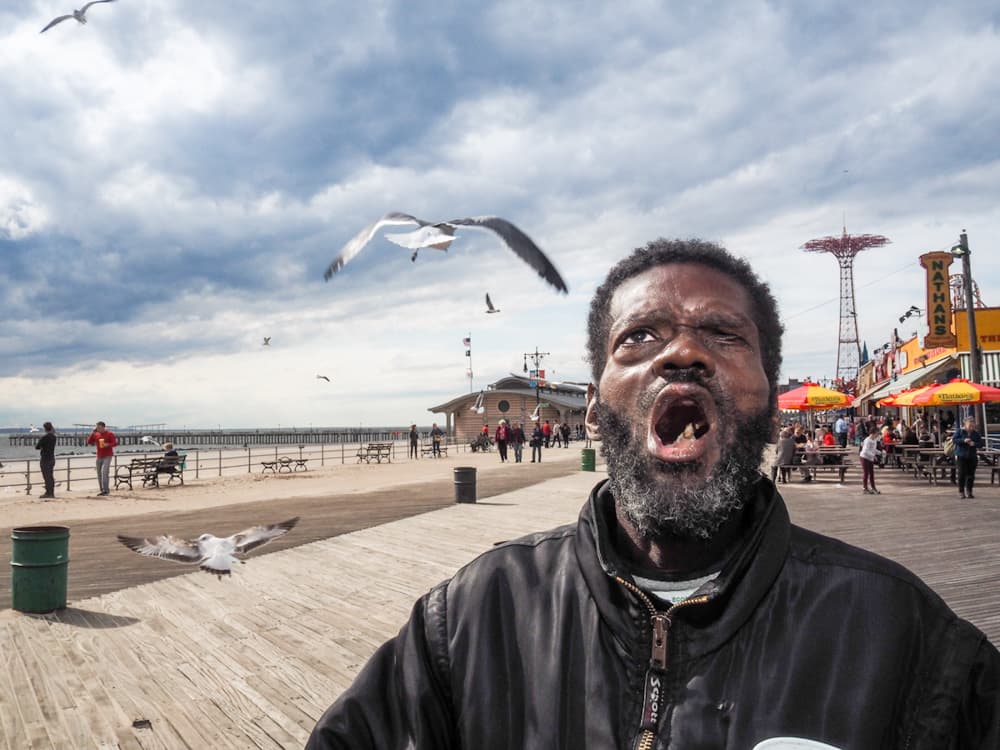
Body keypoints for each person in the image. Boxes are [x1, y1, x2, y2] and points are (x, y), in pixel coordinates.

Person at [306, 238, 1000, 749]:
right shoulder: (470, 621)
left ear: (772, 412)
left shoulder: (905, 639)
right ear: (593, 410)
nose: (682, 353)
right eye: (638, 337)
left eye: (724, 335)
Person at [952, 417, 984, 499]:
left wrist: (974, 444)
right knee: (961, 473)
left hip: (972, 456)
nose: (971, 428)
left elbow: (981, 444)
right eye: (970, 425)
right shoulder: (960, 431)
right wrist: (963, 440)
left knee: (971, 475)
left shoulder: (975, 433)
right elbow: (954, 440)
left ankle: (969, 491)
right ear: (965, 424)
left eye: (973, 426)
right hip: (961, 455)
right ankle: (961, 491)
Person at [86, 421, 117, 496]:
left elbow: (115, 443)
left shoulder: (110, 434)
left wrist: (107, 444)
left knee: (104, 472)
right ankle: (102, 490)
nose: (98, 429)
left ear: (103, 427)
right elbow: (89, 442)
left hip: (108, 455)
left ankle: (106, 490)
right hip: (99, 456)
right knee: (99, 473)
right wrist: (92, 433)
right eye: (97, 427)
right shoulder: (96, 434)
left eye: (99, 427)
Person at [35, 421, 57, 499]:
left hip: (45, 459)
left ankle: (48, 493)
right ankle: (51, 492)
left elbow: (37, 447)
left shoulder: (44, 437)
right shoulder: (54, 437)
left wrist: (42, 447)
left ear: (45, 428)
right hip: (52, 458)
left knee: (46, 477)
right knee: (50, 476)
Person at [859, 429, 882, 495]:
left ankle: (873, 488)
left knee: (871, 473)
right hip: (864, 457)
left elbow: (873, 449)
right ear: (872, 433)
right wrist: (873, 455)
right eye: (877, 433)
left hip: (870, 458)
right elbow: (865, 450)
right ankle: (865, 488)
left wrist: (879, 452)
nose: (877, 435)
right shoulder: (867, 440)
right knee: (866, 473)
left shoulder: (874, 440)